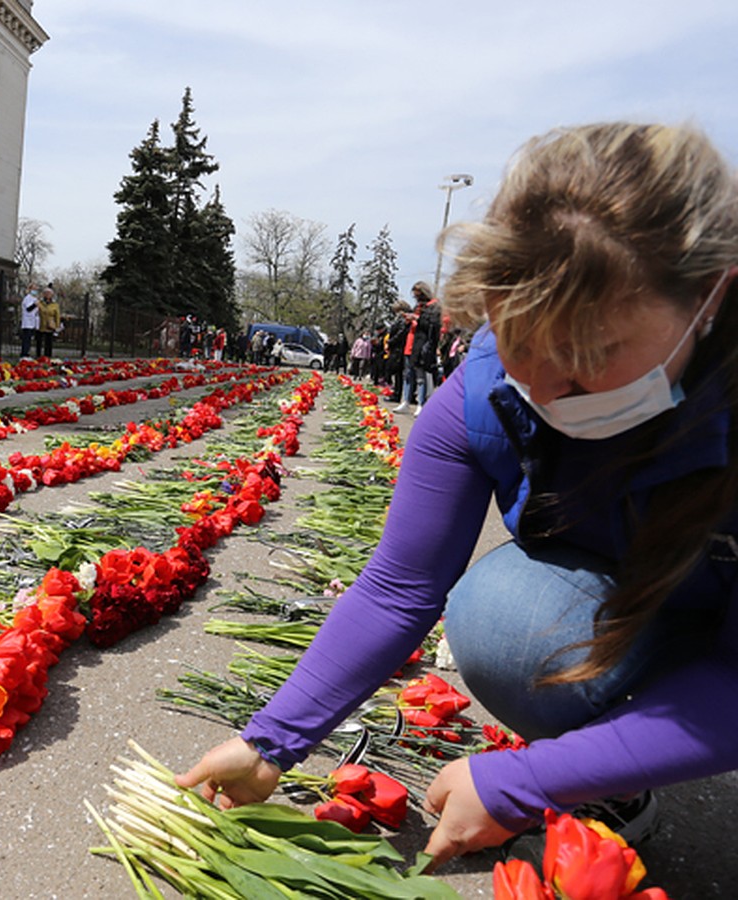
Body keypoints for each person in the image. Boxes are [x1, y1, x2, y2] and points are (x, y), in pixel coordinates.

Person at [176, 122, 738, 870]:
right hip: (629, 599)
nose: (541, 391)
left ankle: (620, 753)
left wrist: (535, 780)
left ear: (710, 296)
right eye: (520, 344)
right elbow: (400, 585)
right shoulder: (483, 394)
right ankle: (619, 757)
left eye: (588, 356)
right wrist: (270, 741)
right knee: (508, 624)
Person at [394, 282, 442, 414]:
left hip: (421, 345)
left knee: (420, 377)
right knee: (407, 375)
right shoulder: (418, 307)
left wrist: (417, 318)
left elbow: (433, 326)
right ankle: (405, 401)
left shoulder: (433, 307)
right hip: (410, 344)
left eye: (418, 295)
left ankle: (421, 402)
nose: (416, 298)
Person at [37, 286, 60, 358]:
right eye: (46, 293)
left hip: (50, 324)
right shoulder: (39, 302)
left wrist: (57, 325)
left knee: (49, 341)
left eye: (49, 293)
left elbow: (57, 315)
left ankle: (48, 356)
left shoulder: (55, 304)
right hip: (40, 323)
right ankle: (38, 355)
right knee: (39, 341)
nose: (47, 295)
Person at [19, 283, 40, 358]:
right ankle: (24, 354)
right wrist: (35, 305)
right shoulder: (27, 298)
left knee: (29, 339)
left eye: (36, 289)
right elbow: (28, 309)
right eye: (33, 289)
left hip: (32, 322)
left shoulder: (34, 298)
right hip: (27, 322)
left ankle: (27, 353)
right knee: (26, 339)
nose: (35, 291)